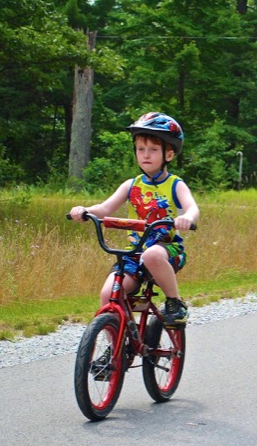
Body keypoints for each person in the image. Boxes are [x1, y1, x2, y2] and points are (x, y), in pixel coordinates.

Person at [69, 112, 199, 326]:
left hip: (166, 251)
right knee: (108, 294)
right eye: (141, 149)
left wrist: (186, 217)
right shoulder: (131, 185)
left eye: (153, 150)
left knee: (152, 254)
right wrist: (84, 211)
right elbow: (104, 208)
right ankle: (116, 348)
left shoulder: (175, 184)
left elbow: (192, 207)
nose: (146, 155)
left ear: (169, 154)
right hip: (133, 255)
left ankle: (175, 302)